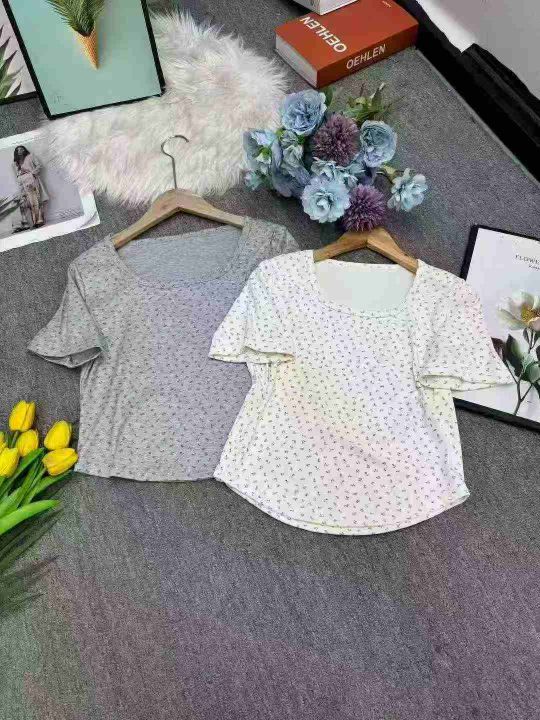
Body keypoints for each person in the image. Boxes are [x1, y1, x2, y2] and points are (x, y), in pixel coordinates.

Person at [12, 145, 49, 231]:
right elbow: (17, 176)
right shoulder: (15, 163)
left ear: (24, 149)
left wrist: (32, 174)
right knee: (31, 204)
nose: (20, 151)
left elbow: (39, 166)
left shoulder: (31, 156)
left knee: (37, 201)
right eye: (18, 150)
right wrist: (21, 179)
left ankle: (40, 221)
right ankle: (35, 222)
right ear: (16, 152)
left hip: (33, 181)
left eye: (21, 149)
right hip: (24, 184)